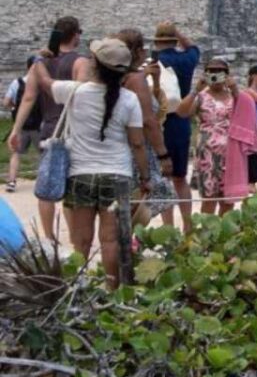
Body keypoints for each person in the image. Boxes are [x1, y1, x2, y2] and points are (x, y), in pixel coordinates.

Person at [56, 39, 150, 287]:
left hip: (81, 173)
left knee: (81, 241)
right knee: (111, 241)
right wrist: (145, 176)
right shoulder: (129, 99)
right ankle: (112, 290)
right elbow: (137, 143)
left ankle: (77, 288)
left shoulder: (75, 92)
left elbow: (44, 84)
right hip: (117, 174)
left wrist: (40, 63)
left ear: (95, 64)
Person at [8, 17, 91, 235]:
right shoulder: (80, 62)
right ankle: (75, 236)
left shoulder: (40, 63)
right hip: (74, 129)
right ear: (75, 35)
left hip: (49, 128)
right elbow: (81, 96)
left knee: (47, 187)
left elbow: (28, 98)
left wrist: (16, 129)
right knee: (71, 187)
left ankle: (49, 236)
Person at [110, 30, 174, 222]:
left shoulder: (115, 76)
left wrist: (153, 80)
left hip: (115, 146)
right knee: (150, 199)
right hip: (137, 149)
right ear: (137, 51)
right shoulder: (136, 79)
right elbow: (148, 120)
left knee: (122, 209)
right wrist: (163, 154)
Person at [174, 57, 238, 216]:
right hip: (207, 154)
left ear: (227, 74)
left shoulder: (234, 96)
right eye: (211, 71)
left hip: (231, 153)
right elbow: (181, 112)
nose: (215, 74)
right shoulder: (201, 96)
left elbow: (246, 115)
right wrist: (195, 90)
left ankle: (225, 229)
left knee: (229, 199)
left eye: (219, 71)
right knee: (209, 199)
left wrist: (235, 90)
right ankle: (207, 230)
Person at [153, 22, 201, 231]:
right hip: (180, 119)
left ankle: (168, 228)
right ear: (174, 40)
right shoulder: (186, 60)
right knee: (180, 178)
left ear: (156, 41)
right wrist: (178, 32)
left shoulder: (154, 62)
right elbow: (193, 48)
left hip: (159, 122)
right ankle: (188, 226)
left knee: (164, 179)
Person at [5, 57, 41, 193]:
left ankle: (11, 181)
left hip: (20, 126)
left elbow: (6, 102)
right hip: (39, 125)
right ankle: (45, 181)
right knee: (44, 155)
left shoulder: (17, 83)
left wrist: (15, 107)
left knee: (15, 154)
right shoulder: (42, 84)